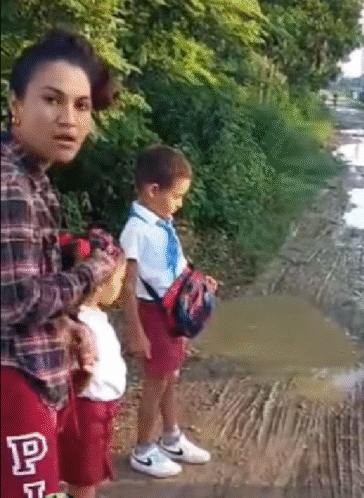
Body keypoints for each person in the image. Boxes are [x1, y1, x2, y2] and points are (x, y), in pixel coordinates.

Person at [1, 28, 123, 497]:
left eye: (82, 105)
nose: (68, 119)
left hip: (30, 378)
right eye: (52, 100)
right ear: (16, 105)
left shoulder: (33, 177)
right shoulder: (11, 184)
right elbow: (18, 303)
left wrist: (67, 326)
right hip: (15, 384)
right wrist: (96, 269)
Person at [121, 145, 214, 477]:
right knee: (156, 382)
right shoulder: (136, 230)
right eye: (176, 196)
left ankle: (171, 437)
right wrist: (136, 333)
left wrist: (198, 282)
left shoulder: (162, 223)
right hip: (154, 317)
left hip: (173, 313)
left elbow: (172, 266)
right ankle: (143, 448)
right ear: (152, 190)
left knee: (170, 376)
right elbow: (127, 285)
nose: (180, 203)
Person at [56, 238, 128, 498]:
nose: (121, 286)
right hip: (85, 414)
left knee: (88, 474)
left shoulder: (90, 317)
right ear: (98, 285)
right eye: (119, 280)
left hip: (98, 411)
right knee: (83, 479)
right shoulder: (81, 324)